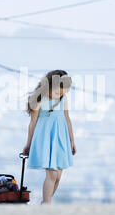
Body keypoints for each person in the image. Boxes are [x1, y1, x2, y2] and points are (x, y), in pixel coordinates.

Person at [23, 70, 76, 204]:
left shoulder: (63, 98)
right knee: (52, 175)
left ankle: (44, 203)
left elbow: (67, 119)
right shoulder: (39, 99)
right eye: (58, 92)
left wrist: (72, 140)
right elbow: (33, 123)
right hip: (46, 138)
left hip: (61, 138)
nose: (61, 94)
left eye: (64, 92)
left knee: (57, 176)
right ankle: (46, 205)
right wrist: (28, 145)